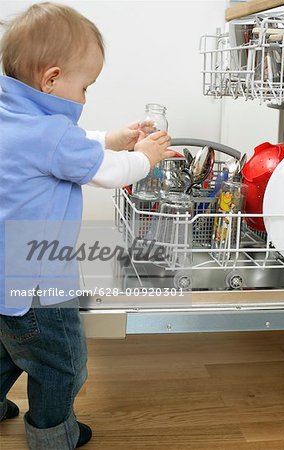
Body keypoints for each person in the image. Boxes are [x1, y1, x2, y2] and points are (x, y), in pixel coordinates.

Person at [0, 3, 174, 449]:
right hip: (37, 284)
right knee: (62, 363)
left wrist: (112, 138)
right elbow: (107, 172)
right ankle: (53, 435)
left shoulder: (13, 116)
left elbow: (63, 140)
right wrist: (144, 157)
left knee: (7, 350)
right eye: (85, 87)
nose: (85, 98)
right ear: (52, 79)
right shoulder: (51, 136)